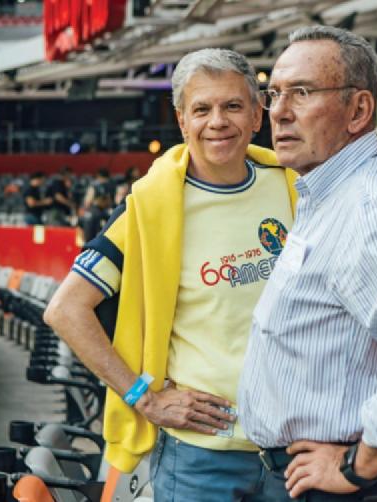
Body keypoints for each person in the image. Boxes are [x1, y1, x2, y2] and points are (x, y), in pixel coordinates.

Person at [44, 48, 297, 501]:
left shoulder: (294, 187)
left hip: (293, 450)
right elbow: (65, 310)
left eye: (233, 106)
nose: (217, 121)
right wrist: (145, 397)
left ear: (257, 115)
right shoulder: (149, 208)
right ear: (182, 121)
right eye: (201, 109)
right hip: (200, 460)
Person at [238, 26, 377, 502]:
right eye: (274, 93)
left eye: (302, 92)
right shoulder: (332, 193)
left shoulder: (366, 208)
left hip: (338, 488)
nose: (278, 111)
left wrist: (357, 467)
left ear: (358, 111)